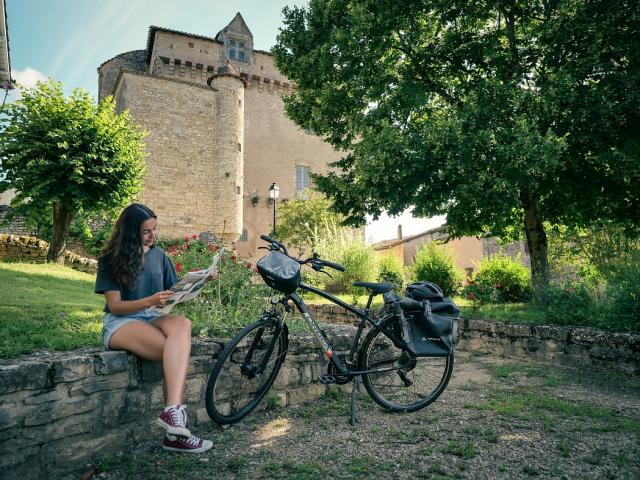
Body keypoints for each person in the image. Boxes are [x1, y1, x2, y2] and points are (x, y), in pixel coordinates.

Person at [95, 203, 213, 454]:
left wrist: (199, 282)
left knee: (183, 324)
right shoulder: (110, 259)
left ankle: (172, 413)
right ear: (130, 232)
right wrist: (149, 300)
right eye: (146, 231)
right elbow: (115, 306)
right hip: (122, 323)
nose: (152, 236)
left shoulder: (160, 256)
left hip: (152, 317)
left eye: (154, 229)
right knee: (175, 353)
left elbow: (173, 293)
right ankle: (175, 431)